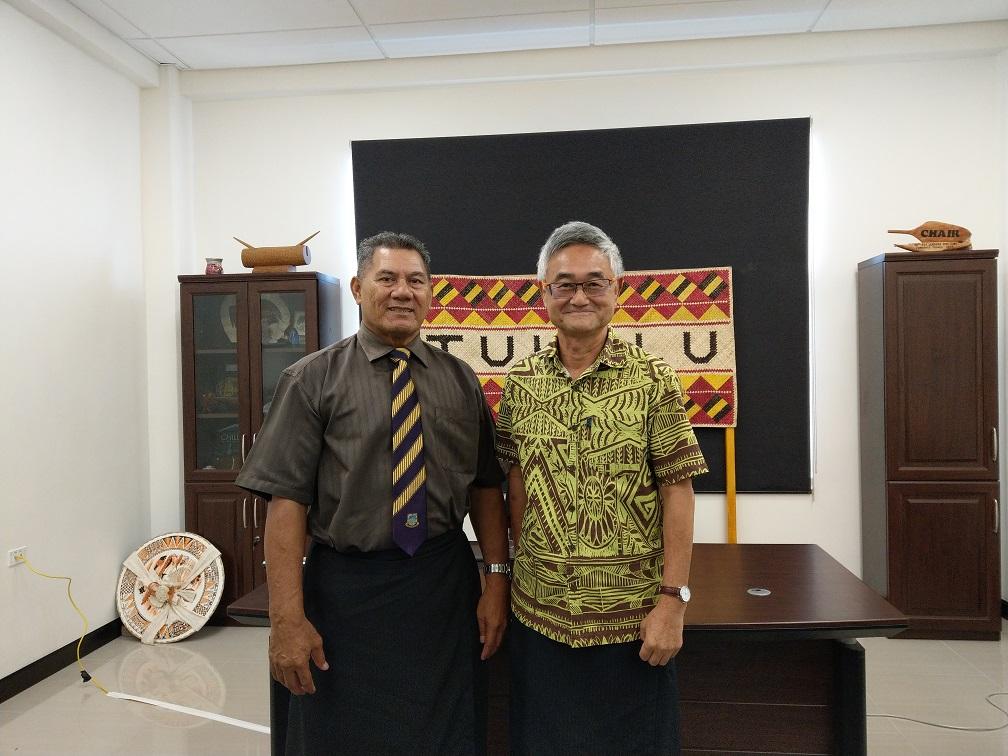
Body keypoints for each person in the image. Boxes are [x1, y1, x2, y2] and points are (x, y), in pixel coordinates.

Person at [236, 231, 510, 755]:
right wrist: (286, 620)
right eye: (387, 279)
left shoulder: (461, 381)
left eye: (415, 281)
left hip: (441, 589)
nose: (402, 291)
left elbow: (485, 488)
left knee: (444, 736)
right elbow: (286, 504)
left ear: (432, 294)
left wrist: (495, 583)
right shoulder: (312, 380)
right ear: (360, 288)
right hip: (344, 593)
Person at [495, 221, 708, 755]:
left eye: (594, 282)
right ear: (543, 293)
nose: (579, 295)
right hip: (538, 617)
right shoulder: (520, 384)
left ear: (618, 290)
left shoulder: (654, 379)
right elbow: (512, 485)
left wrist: (672, 603)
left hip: (633, 624)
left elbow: (677, 491)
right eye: (563, 284)